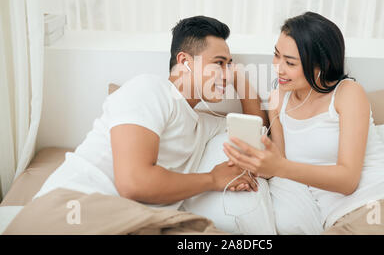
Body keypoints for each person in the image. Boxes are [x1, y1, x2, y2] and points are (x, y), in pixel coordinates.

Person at [223, 12, 384, 234]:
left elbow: (347, 180)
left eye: (290, 63)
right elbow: (280, 163)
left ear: (320, 64)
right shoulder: (278, 98)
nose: (278, 67)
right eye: (276, 55)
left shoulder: (347, 93)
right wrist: (255, 171)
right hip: (339, 220)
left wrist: (279, 167)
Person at [33, 15, 268, 211]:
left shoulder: (202, 124)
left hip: (127, 220)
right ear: (185, 62)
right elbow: (133, 183)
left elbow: (255, 130)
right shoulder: (149, 89)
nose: (226, 73)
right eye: (219, 63)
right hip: (74, 207)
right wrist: (213, 179)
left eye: (229, 64)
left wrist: (239, 78)